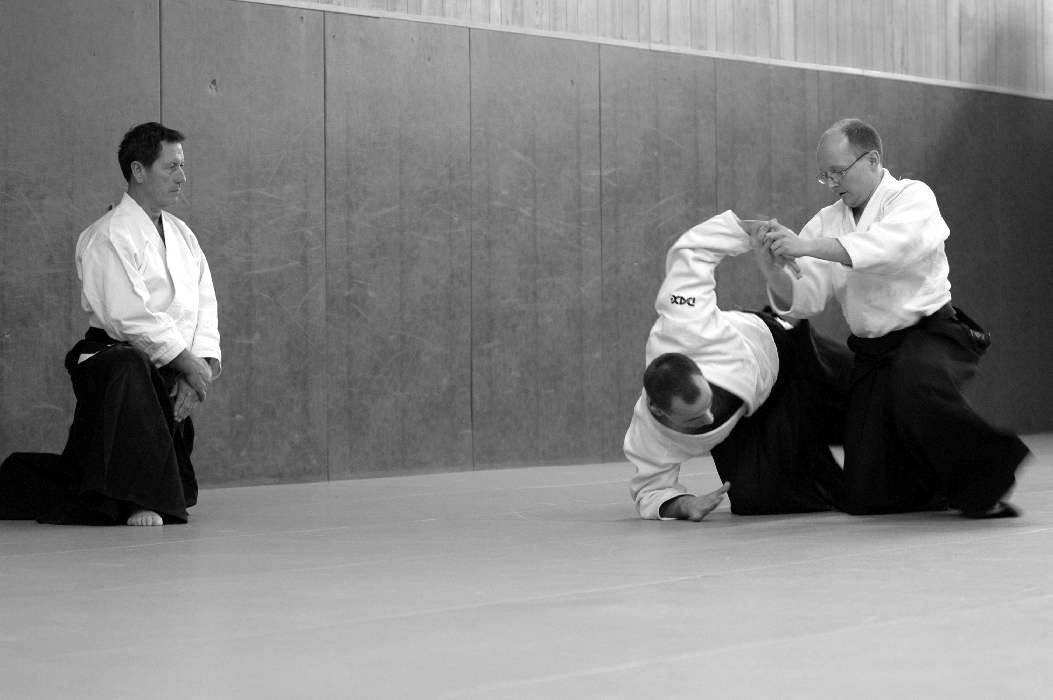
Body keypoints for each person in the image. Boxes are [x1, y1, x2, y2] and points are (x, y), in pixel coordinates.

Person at [760, 118, 1030, 518]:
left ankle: (985, 484)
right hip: (873, 353)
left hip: (931, 335)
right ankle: (933, 487)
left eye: (838, 171)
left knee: (915, 382)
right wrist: (774, 269)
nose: (832, 182)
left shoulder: (912, 197)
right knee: (868, 497)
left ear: (872, 160)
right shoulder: (827, 221)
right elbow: (807, 298)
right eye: (825, 175)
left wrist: (808, 246)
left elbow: (888, 249)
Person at [0, 122, 221, 526]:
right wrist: (184, 361)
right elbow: (126, 316)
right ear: (138, 171)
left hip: (167, 360)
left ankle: (42, 482)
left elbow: (204, 303)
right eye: (171, 167)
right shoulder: (107, 235)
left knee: (172, 488)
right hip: (107, 358)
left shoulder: (183, 235)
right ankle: (137, 498)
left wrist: (198, 367)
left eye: (183, 166)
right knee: (130, 364)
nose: (182, 177)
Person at [624, 210, 853, 521]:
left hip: (778, 347)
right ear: (659, 411)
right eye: (695, 418)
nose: (707, 416)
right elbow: (649, 490)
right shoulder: (649, 434)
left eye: (708, 403)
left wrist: (750, 231)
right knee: (759, 500)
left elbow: (694, 250)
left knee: (867, 398)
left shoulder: (686, 323)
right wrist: (684, 505)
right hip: (753, 417)